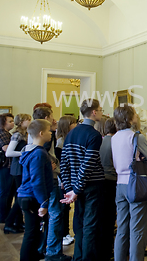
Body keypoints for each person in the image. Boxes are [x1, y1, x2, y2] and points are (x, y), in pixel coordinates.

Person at [60, 99, 104, 261]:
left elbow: (64, 162)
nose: (101, 112)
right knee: (90, 224)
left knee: (79, 222)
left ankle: (78, 257)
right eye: (100, 109)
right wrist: (76, 190)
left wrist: (71, 188)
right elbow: (88, 164)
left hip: (76, 187)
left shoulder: (72, 133)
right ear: (93, 112)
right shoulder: (94, 135)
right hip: (91, 185)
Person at [111, 106, 147, 261]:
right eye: (135, 114)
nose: (138, 115)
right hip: (135, 184)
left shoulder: (114, 137)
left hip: (120, 184)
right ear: (130, 119)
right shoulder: (136, 137)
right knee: (138, 229)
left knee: (122, 228)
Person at [33, 106, 70, 261]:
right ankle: (53, 252)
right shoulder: (44, 139)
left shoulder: (34, 132)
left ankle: (43, 247)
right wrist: (51, 163)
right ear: (46, 118)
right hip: (51, 178)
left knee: (49, 215)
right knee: (55, 214)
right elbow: (45, 153)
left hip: (48, 178)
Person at [17, 119, 54, 261]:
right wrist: (43, 203)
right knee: (31, 234)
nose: (51, 133)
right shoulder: (39, 153)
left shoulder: (32, 150)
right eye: (49, 130)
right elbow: (37, 181)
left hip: (29, 196)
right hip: (32, 197)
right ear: (41, 133)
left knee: (35, 233)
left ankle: (34, 255)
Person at [3, 113, 31, 234]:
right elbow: (9, 152)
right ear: (21, 122)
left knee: (19, 196)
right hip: (17, 168)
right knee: (20, 197)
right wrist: (24, 153)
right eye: (27, 120)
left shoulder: (25, 133)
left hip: (21, 167)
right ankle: (9, 223)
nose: (30, 121)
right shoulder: (17, 135)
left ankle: (18, 222)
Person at [55, 116, 77, 247]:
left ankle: (66, 232)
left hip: (67, 178)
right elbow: (61, 164)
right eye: (73, 123)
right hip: (63, 179)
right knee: (63, 207)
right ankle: (63, 234)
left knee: (66, 207)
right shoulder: (60, 142)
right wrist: (63, 179)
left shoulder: (68, 139)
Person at [99, 117, 118, 261]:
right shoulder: (114, 142)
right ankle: (109, 249)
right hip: (111, 180)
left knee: (106, 216)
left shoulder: (102, 140)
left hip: (102, 180)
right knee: (110, 216)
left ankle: (106, 247)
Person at [0, 113, 15, 225]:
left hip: (5, 167)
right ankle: (3, 216)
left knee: (7, 192)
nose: (13, 123)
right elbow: (6, 149)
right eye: (10, 121)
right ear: (4, 123)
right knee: (5, 192)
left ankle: (6, 215)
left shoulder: (6, 133)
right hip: (3, 167)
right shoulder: (3, 134)